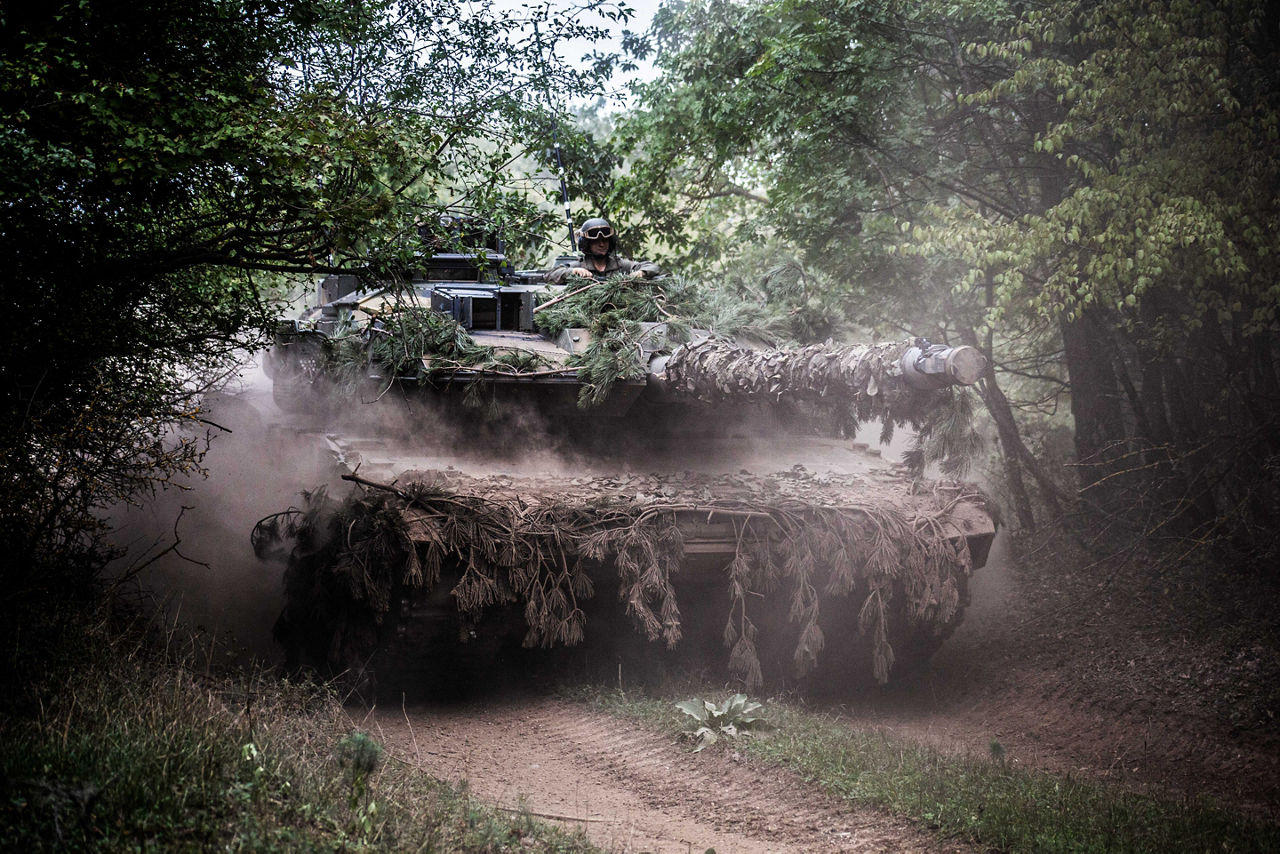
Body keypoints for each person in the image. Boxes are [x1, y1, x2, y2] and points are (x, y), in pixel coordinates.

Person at [545, 217, 662, 284]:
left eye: (605, 240)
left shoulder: (619, 264)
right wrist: (573, 271)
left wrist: (641, 273)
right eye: (596, 241)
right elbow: (549, 275)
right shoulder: (580, 265)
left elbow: (652, 266)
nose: (602, 244)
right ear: (587, 244)